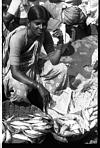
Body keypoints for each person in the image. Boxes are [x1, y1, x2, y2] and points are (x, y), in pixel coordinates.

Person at [3, 5, 68, 113]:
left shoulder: (45, 34)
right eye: (37, 23)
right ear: (29, 22)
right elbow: (15, 72)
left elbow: (54, 60)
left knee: (61, 69)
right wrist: (37, 85)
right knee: (20, 91)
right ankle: (24, 110)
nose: (41, 27)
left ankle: (51, 103)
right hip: (18, 71)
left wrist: (60, 42)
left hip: (34, 67)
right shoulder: (18, 38)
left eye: (44, 24)